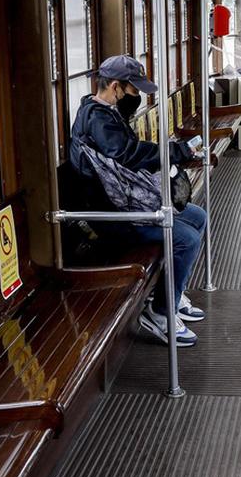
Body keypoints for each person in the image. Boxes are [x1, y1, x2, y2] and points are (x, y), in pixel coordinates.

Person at [71, 55, 207, 346]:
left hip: (125, 201)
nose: (139, 97)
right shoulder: (97, 119)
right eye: (135, 91)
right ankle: (160, 312)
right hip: (111, 214)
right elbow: (127, 155)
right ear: (117, 87)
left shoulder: (107, 113)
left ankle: (173, 291)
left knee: (197, 217)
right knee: (186, 239)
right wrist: (174, 152)